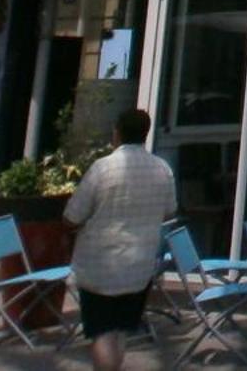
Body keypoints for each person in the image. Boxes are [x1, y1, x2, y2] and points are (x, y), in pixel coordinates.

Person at [63, 107, 176, 371]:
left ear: (117, 132)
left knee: (101, 330)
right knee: (121, 331)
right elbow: (170, 210)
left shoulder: (103, 169)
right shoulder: (162, 169)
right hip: (139, 264)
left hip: (100, 263)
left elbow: (73, 215)